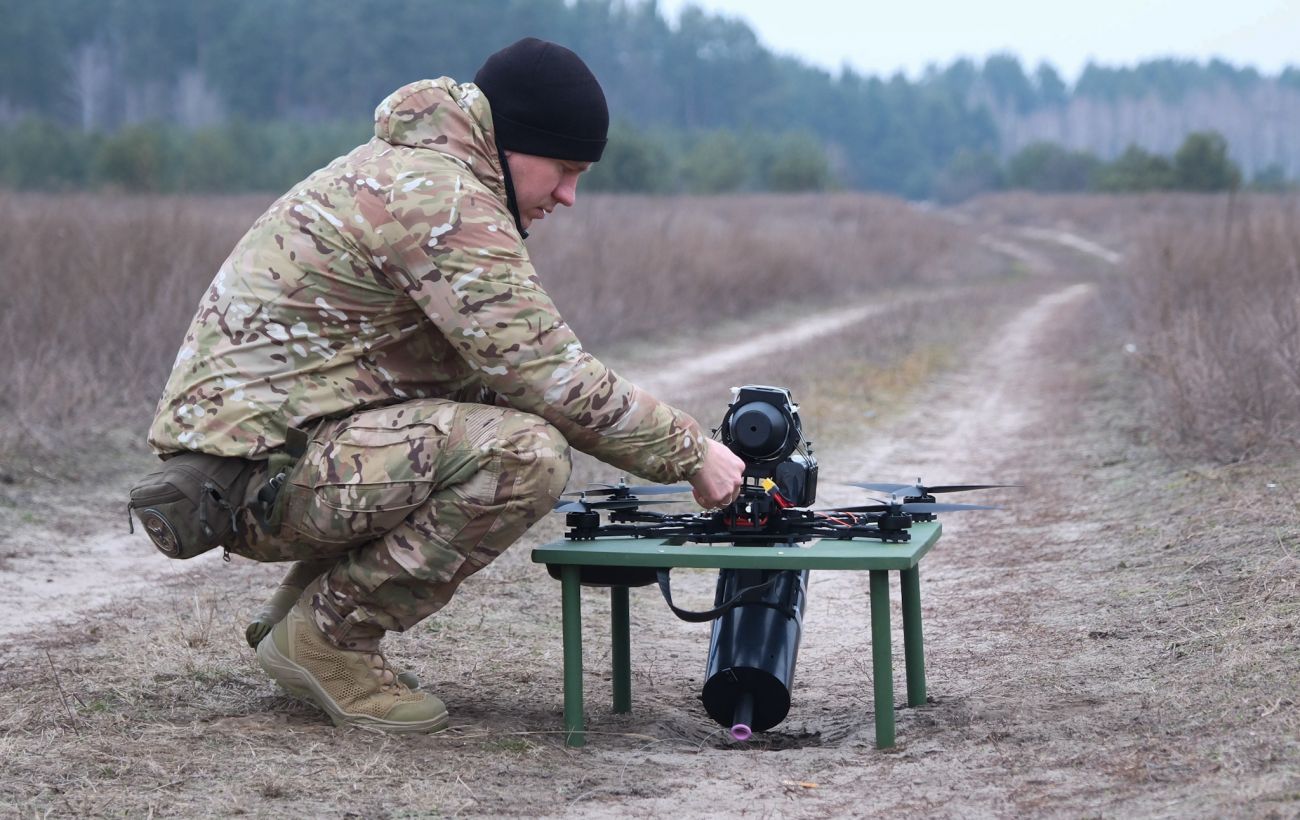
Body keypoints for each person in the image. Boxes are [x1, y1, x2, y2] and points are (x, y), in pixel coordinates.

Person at [147, 37, 745, 733]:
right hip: (250, 481)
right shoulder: (443, 200)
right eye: (564, 169)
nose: (569, 195)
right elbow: (550, 376)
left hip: (259, 462)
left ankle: (296, 617)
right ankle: (330, 638)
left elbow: (501, 374)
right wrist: (692, 452)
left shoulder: (416, 172)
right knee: (524, 455)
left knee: (476, 413)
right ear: (513, 144)